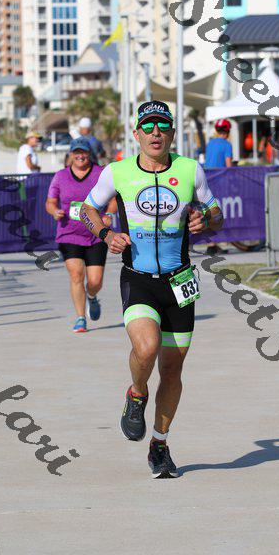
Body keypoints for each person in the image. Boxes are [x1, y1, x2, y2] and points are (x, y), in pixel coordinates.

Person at [80, 100, 223, 478]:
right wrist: (106, 234)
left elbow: (217, 213)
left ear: (172, 133)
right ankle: (137, 392)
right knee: (146, 347)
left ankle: (160, 444)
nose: (155, 132)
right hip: (138, 278)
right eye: (148, 126)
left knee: (173, 371)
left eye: (163, 126)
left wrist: (205, 219)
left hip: (180, 281)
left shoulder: (191, 170)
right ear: (137, 133)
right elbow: (86, 209)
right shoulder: (117, 172)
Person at [46, 137, 116, 333]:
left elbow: (113, 198)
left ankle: (92, 297)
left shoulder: (101, 173)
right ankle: (80, 318)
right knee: (76, 275)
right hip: (69, 233)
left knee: (95, 281)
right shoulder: (60, 176)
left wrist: (109, 214)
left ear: (89, 154)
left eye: (83, 152)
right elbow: (50, 202)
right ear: (70, 154)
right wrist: (54, 211)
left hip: (96, 233)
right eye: (76, 152)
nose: (80, 156)